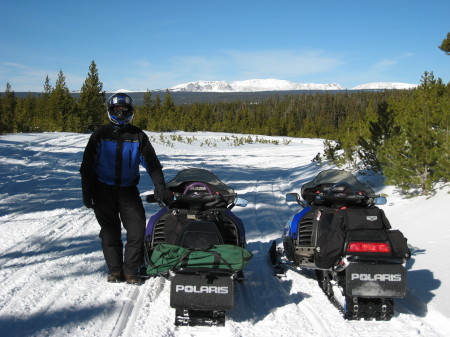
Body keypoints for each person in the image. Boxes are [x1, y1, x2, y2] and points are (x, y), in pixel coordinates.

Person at [79, 92, 172, 284]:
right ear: (110, 111)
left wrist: (160, 186)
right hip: (102, 190)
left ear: (130, 112)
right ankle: (115, 271)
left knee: (137, 231)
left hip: (128, 190)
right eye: (116, 110)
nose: (120, 113)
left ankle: (130, 270)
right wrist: (86, 191)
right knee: (109, 232)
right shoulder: (100, 134)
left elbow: (152, 163)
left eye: (124, 110)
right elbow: (87, 165)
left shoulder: (138, 136)